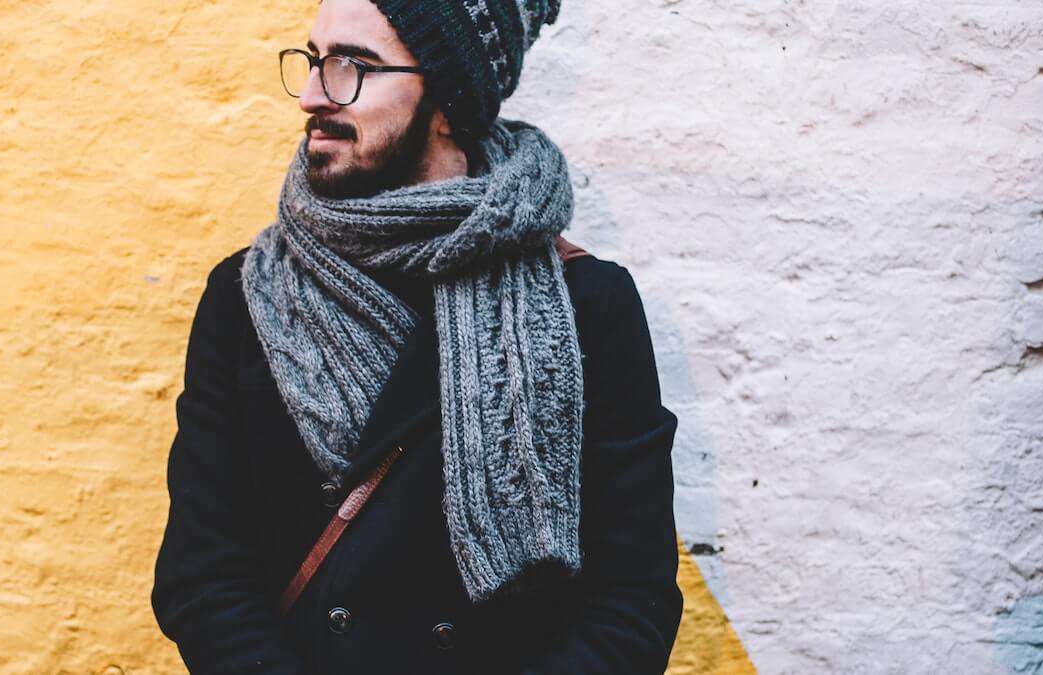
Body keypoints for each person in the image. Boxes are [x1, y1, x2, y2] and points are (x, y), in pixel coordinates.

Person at [150, 0, 683, 672]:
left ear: (446, 97)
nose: (313, 94)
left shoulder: (589, 307)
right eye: (315, 61)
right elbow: (202, 579)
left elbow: (631, 601)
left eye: (354, 66)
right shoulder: (246, 299)